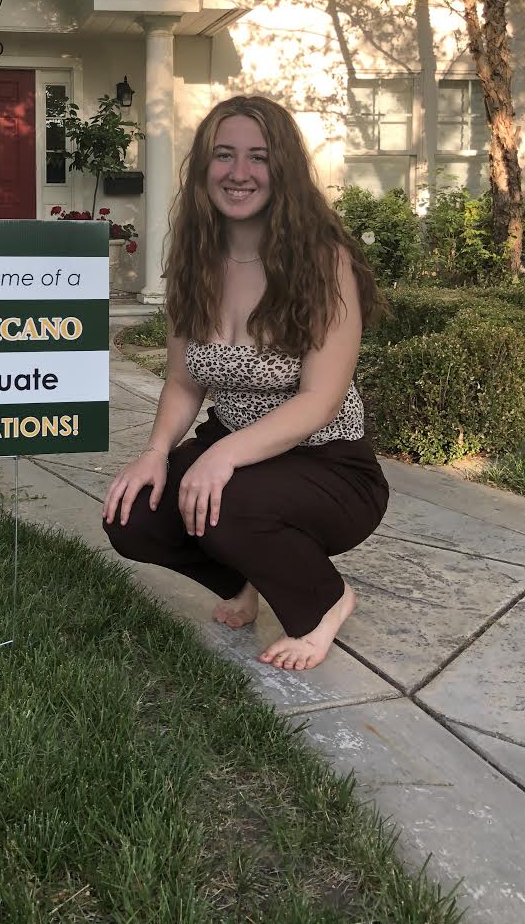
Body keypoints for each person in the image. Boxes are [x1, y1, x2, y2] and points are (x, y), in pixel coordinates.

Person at [102, 94, 389, 671]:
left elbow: (321, 399)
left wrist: (222, 456)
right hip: (235, 450)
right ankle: (242, 581)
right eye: (224, 155)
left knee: (226, 503)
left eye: (258, 157)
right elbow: (185, 382)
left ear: (281, 169)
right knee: (132, 516)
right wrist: (155, 453)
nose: (238, 173)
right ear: (204, 166)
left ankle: (327, 600)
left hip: (329, 463)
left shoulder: (323, 260)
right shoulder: (194, 258)